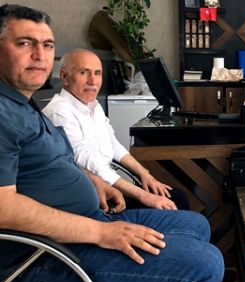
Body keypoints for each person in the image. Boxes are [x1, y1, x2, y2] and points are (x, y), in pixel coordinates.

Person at [0, 4, 224, 282]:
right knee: (207, 265)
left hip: (84, 225)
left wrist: (92, 181)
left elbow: (60, 161)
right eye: (24, 43)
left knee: (195, 225)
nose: (39, 55)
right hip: (41, 261)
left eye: (47, 45)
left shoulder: (25, 103)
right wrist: (102, 233)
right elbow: (4, 208)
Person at [43, 48, 188, 211]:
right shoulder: (59, 112)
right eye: (84, 73)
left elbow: (113, 145)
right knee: (175, 202)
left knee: (177, 197)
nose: (93, 81)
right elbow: (88, 162)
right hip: (93, 197)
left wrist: (145, 174)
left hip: (110, 185)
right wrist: (144, 196)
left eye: (97, 73)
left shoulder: (93, 105)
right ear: (64, 76)